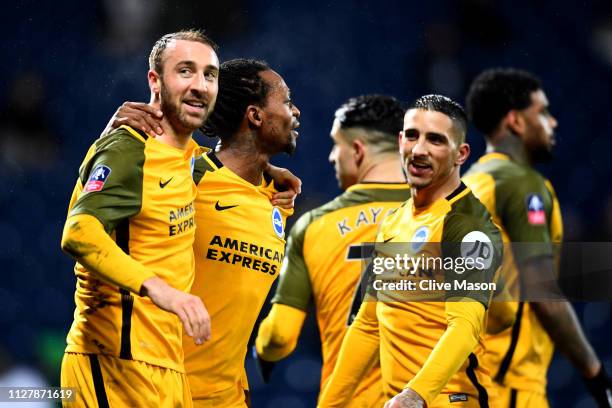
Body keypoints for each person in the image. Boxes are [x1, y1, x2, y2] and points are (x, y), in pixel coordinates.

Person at [107, 58, 301, 407]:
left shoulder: (276, 199)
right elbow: (105, 213)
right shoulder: (188, 176)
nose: (296, 111)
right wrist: (111, 134)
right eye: (286, 102)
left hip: (228, 398)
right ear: (255, 115)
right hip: (159, 393)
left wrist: (265, 169)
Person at [60, 29, 219, 407]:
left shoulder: (189, 159)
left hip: (167, 367)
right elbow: (79, 232)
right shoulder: (129, 148)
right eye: (185, 71)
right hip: (114, 362)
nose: (200, 85)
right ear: (154, 80)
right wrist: (161, 290)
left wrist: (265, 175)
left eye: (209, 74)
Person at [319, 94, 504, 408]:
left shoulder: (467, 226)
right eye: (413, 136)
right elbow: (367, 325)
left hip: (450, 400)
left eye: (435, 140)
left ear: (461, 154)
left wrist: (415, 395)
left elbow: (465, 325)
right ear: (400, 140)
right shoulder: (394, 222)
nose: (419, 151)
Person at [463, 68, 612, 408]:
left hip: (471, 380)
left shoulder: (470, 184)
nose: (553, 122)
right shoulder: (521, 183)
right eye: (542, 112)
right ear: (515, 121)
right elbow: (544, 295)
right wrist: (595, 374)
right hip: (510, 383)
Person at [253, 94, 410, 407]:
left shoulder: (314, 225)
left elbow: (280, 336)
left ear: (357, 150)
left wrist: (263, 351)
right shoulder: (454, 216)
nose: (331, 158)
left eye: (336, 145)